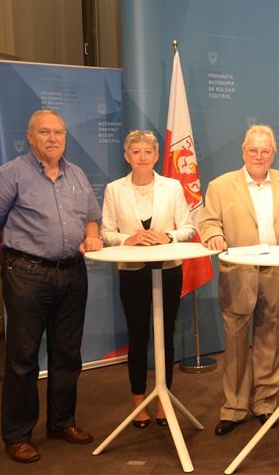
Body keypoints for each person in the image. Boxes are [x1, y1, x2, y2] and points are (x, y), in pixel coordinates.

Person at [0, 110, 103, 463]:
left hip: (73, 274)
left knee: (67, 356)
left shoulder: (77, 174)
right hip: (27, 276)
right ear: (30, 137)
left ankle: (62, 422)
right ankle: (17, 436)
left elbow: (92, 219)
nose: (53, 138)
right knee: (22, 360)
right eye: (45, 132)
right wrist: (14, 265)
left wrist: (92, 236)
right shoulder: (10, 175)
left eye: (58, 132)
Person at [198, 124, 279, 436]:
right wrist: (214, 235)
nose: (259, 156)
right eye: (253, 150)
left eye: (265, 151)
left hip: (277, 275)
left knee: (271, 342)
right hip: (238, 275)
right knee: (235, 344)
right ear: (243, 152)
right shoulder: (220, 186)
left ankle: (265, 403)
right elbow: (208, 222)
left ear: (273, 153)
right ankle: (234, 408)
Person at [100, 130, 196, 428]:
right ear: (127, 156)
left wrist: (168, 236)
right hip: (132, 272)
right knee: (138, 336)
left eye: (148, 152)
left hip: (168, 271)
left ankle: (163, 398)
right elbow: (106, 232)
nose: (142, 157)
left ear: (156, 156)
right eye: (136, 152)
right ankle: (138, 399)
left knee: (165, 334)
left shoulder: (172, 186)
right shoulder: (114, 189)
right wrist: (128, 239)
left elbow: (188, 228)